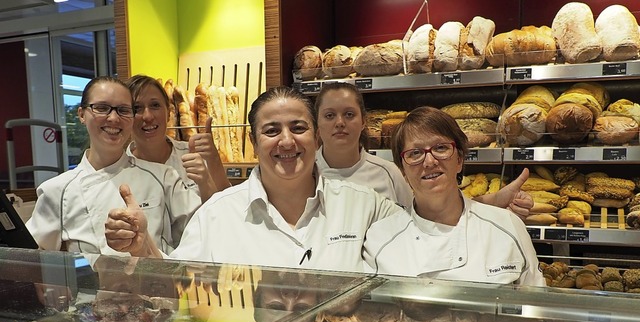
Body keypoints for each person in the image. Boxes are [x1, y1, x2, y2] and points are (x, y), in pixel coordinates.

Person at [105, 86, 532, 269]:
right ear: (254, 143)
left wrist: (489, 208)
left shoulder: (363, 204)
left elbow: (427, 214)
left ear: (315, 136)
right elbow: (177, 280)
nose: (286, 141)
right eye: (271, 131)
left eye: (298, 127)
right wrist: (144, 246)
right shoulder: (218, 215)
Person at [361, 105, 546, 322]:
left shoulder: (505, 227)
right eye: (415, 153)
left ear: (460, 158)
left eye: (440, 148)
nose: (429, 160)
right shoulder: (381, 238)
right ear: (402, 168)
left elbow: (535, 317)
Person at [26, 76, 200, 255]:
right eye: (101, 108)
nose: (114, 118)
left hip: (158, 282)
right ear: (81, 115)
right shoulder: (57, 190)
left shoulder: (164, 177)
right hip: (90, 284)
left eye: (124, 110)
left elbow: (201, 235)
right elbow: (34, 259)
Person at [314, 82, 533, 217]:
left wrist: (489, 203)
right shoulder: (304, 173)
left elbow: (426, 213)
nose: (340, 122)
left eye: (349, 114)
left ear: (364, 121)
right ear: (317, 123)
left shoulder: (388, 173)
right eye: (329, 115)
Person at [125, 74, 232, 202]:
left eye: (155, 105)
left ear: (169, 113)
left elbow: (228, 208)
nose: (147, 116)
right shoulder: (120, 169)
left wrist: (212, 163)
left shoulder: (195, 154)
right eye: (137, 108)